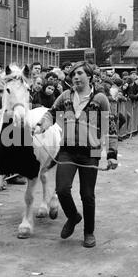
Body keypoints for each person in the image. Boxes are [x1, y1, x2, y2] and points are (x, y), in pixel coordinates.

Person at [35, 61, 119, 248]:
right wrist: (42, 125)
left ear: (89, 76)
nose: (75, 77)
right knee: (62, 189)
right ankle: (73, 217)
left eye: (79, 73)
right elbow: (51, 113)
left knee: (87, 194)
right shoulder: (65, 96)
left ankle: (89, 232)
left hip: (92, 151)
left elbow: (110, 128)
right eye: (73, 74)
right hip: (68, 150)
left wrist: (112, 154)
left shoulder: (100, 99)